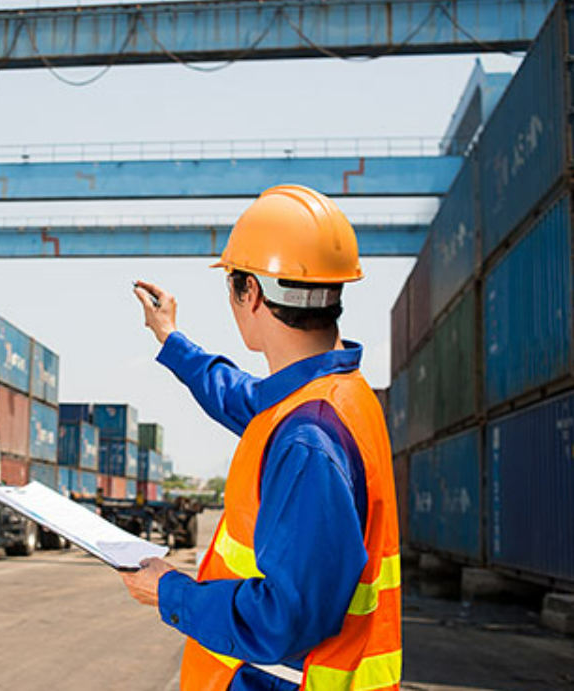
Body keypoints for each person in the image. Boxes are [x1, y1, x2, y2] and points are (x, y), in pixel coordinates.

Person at [123, 185, 401, 691]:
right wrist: (170, 338)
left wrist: (169, 591)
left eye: (232, 286)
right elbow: (241, 397)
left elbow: (284, 620)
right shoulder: (339, 396)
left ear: (249, 292)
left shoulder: (308, 438)